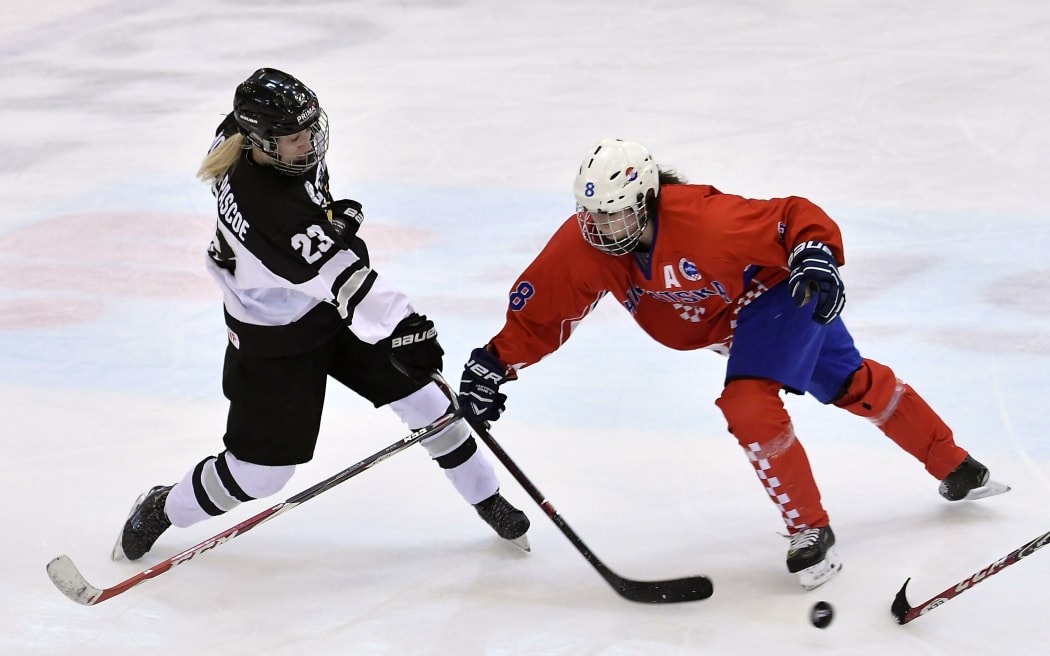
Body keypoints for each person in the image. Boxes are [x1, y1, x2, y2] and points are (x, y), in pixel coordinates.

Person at [457, 137, 998, 590]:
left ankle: (810, 530)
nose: (602, 227)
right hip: (733, 326)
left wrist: (814, 253)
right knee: (850, 382)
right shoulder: (588, 244)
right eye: (593, 213)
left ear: (646, 199)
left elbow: (791, 218)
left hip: (779, 294)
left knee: (747, 403)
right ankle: (957, 466)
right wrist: (495, 362)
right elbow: (543, 311)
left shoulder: (702, 219)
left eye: (616, 212)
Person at [114, 68, 530, 562]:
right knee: (260, 475)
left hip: (318, 304)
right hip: (273, 336)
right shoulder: (269, 208)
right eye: (294, 138)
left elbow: (322, 252)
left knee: (427, 403)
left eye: (310, 128)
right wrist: (406, 327)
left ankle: (487, 498)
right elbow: (346, 279)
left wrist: (329, 222)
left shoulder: (249, 136)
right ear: (262, 143)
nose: (309, 142)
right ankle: (164, 508)